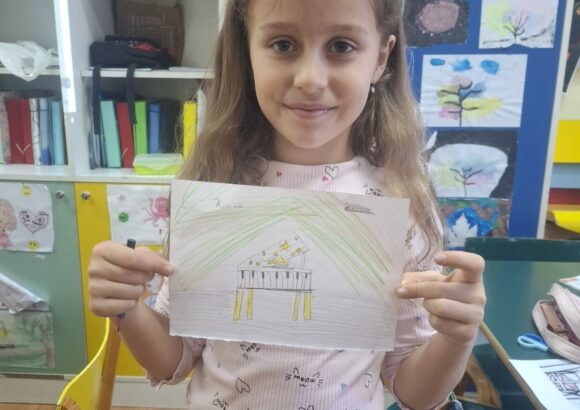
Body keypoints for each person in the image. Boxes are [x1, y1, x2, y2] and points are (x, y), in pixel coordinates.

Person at [88, 0, 486, 408]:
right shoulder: (217, 188)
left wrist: (456, 337)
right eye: (282, 44)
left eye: (342, 46)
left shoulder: (400, 202)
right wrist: (127, 308)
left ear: (381, 59)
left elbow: (416, 393)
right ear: (246, 51)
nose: (310, 79)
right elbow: (175, 358)